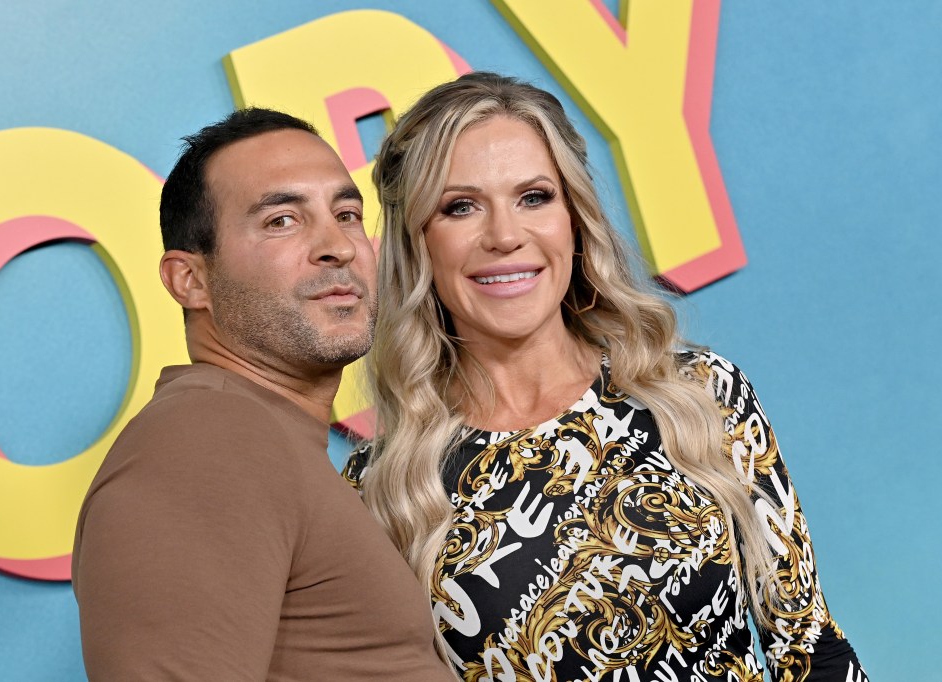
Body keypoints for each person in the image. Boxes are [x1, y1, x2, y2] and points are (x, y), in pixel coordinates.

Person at [345, 73, 868, 681]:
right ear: (418, 242)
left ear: (574, 218)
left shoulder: (699, 394)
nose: (505, 236)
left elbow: (810, 647)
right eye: (460, 207)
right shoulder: (382, 490)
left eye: (534, 197)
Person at [72, 107, 453, 681]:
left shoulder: (260, 439)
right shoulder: (205, 441)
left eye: (347, 214)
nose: (338, 246)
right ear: (190, 280)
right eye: (282, 220)